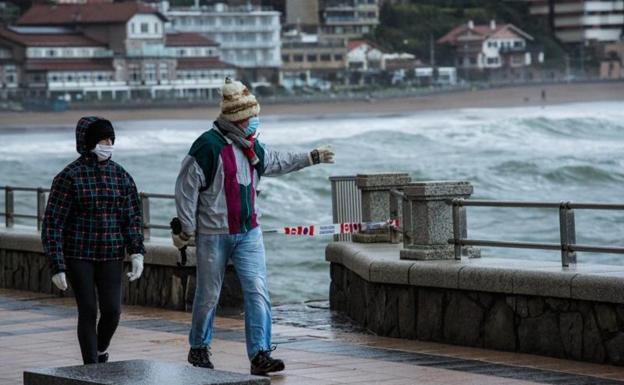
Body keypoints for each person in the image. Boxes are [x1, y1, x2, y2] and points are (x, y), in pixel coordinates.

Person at [173, 78, 334, 375]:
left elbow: (276, 161)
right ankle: (198, 348)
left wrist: (310, 158)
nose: (255, 121)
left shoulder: (252, 146)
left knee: (258, 291)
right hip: (213, 234)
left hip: (249, 232)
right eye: (251, 117)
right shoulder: (207, 146)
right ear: (236, 117)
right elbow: (186, 187)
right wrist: (186, 227)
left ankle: (260, 354)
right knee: (208, 294)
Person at [42, 116, 145, 365]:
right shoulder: (69, 177)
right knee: (88, 310)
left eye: (111, 139)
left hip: (111, 254)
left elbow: (132, 218)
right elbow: (53, 224)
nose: (108, 144)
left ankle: (100, 349)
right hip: (79, 255)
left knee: (112, 311)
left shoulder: (121, 176)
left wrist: (137, 252)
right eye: (102, 140)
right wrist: (57, 265)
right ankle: (92, 369)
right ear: (87, 143)